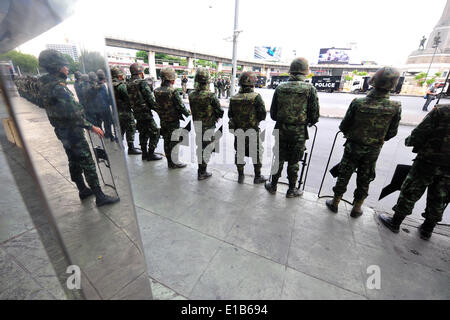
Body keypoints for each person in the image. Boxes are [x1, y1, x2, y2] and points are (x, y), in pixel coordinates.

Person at [37, 49, 119, 207]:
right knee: (87, 160)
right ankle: (99, 196)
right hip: (72, 130)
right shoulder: (59, 88)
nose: (67, 68)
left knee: (73, 159)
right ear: (56, 67)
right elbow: (74, 112)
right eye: (63, 65)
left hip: (62, 130)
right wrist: (92, 126)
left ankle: (82, 189)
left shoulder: (45, 85)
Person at [325, 67, 402, 217]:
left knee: (344, 174)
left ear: (373, 81)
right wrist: (375, 140)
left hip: (353, 146)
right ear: (393, 85)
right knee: (365, 177)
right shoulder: (395, 106)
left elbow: (344, 125)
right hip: (373, 150)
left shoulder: (358, 102)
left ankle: (335, 202)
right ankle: (357, 208)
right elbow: (392, 132)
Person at [379, 104, 450, 240]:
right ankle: (427, 229)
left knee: (411, 191)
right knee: (440, 197)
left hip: (428, 161)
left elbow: (421, 132)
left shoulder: (441, 110)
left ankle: (395, 222)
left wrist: (410, 141)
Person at [265, 57, 320, 198]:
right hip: (299, 132)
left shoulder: (280, 88)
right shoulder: (310, 89)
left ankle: (273, 186)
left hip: (281, 130)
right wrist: (304, 121)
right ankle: (291, 190)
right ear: (305, 72)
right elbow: (314, 116)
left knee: (279, 158)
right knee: (294, 161)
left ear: (291, 71)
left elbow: (273, 114)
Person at [228, 71, 267, 184]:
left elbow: (230, 115)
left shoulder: (234, 98)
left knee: (239, 153)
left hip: (239, 131)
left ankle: (241, 176)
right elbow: (262, 115)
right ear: (252, 84)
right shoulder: (256, 97)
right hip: (252, 131)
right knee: (257, 153)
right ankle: (257, 176)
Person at [188, 67, 224, 180]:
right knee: (206, 147)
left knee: (201, 146)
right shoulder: (211, 95)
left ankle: (201, 170)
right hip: (208, 126)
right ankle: (202, 172)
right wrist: (216, 116)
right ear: (208, 80)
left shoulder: (191, 94)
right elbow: (220, 111)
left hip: (197, 124)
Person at [154, 67, 191, 169]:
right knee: (174, 141)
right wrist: (189, 113)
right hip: (173, 120)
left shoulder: (156, 90)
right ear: (172, 79)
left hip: (163, 120)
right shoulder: (172, 91)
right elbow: (180, 106)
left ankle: (170, 162)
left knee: (166, 140)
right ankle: (174, 162)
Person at [127, 63, 162, 161]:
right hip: (145, 113)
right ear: (140, 72)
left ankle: (144, 153)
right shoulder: (142, 82)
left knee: (143, 132)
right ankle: (151, 154)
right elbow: (150, 99)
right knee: (155, 131)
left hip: (136, 113)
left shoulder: (128, 83)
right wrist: (159, 110)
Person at [110, 66, 141, 155]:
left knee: (119, 130)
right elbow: (129, 99)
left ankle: (119, 147)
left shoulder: (109, 85)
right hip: (125, 112)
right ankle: (131, 148)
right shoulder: (121, 86)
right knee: (130, 128)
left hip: (115, 112)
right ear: (119, 76)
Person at [96, 69, 115, 141]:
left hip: (99, 107)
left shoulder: (96, 84)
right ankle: (109, 135)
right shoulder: (102, 85)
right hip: (105, 106)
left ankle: (106, 133)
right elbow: (105, 96)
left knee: (104, 121)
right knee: (108, 122)